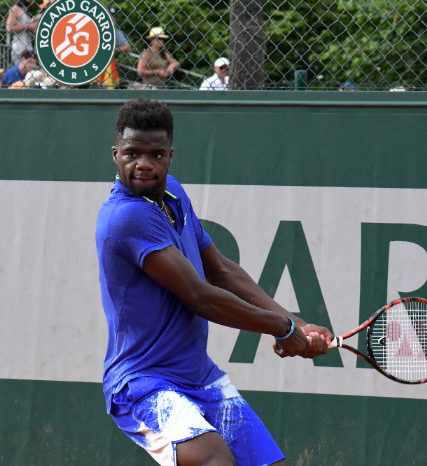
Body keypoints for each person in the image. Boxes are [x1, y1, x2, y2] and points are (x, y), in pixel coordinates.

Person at [96, 98, 333, 466]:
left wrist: (296, 324)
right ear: (116, 154)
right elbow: (200, 297)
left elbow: (221, 270)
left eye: (155, 154)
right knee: (214, 460)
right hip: (143, 383)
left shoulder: (173, 194)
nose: (143, 163)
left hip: (200, 378)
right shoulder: (125, 217)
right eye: (132, 153)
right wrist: (282, 328)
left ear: (170, 155)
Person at [98, 6, 131, 89]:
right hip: (95, 62)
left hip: (108, 65)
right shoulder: (95, 29)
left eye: (113, 16)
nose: (112, 18)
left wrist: (116, 49)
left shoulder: (116, 32)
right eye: (109, 15)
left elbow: (127, 47)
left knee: (107, 88)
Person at [6, 0, 36, 66]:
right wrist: (27, 26)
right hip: (19, 49)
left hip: (28, 49)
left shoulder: (25, 10)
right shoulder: (15, 9)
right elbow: (9, 28)